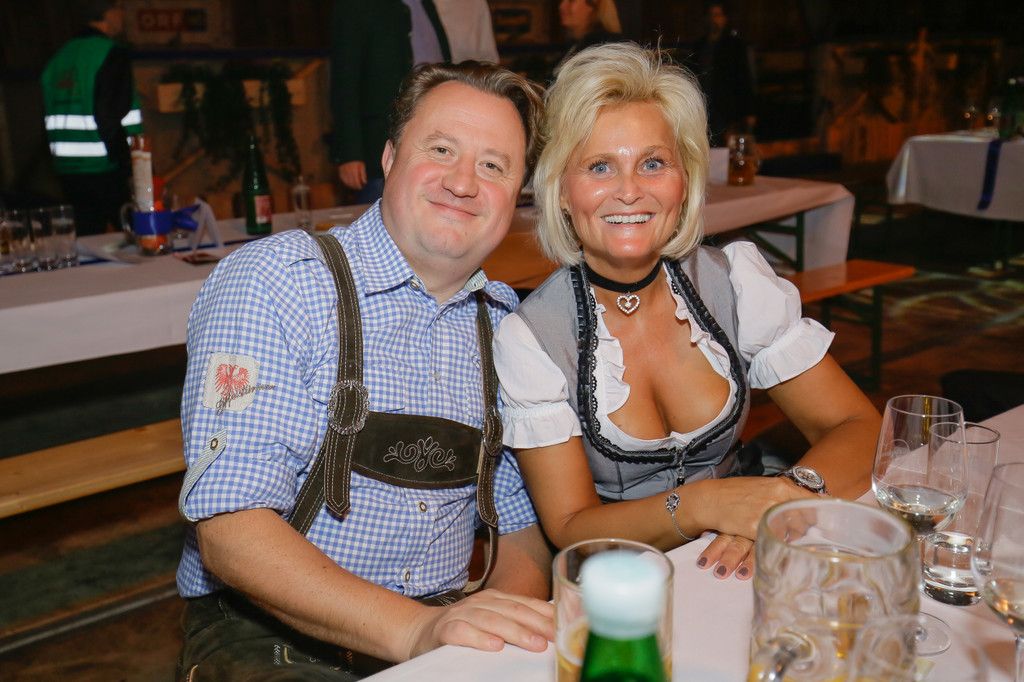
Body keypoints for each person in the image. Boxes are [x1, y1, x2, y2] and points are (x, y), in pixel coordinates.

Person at [176, 61, 551, 680]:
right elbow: (230, 529)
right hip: (270, 636)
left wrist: (495, 634)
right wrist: (414, 631)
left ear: (517, 196)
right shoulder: (279, 283)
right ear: (389, 157)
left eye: (494, 166)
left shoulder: (508, 326)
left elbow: (523, 526)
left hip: (442, 626)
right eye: (441, 150)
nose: (463, 182)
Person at [493, 43, 880, 581]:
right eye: (600, 166)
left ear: (685, 180)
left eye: (653, 163)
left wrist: (780, 503)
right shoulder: (532, 336)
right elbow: (571, 526)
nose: (630, 191)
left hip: (747, 559)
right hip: (626, 582)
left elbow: (859, 426)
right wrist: (706, 505)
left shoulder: (736, 281)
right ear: (560, 190)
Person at [330, 0, 451, 205]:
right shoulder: (355, 6)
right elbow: (344, 82)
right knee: (380, 214)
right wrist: (349, 153)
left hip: (435, 141)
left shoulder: (425, 4)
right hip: (381, 145)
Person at [40, 0, 142, 235]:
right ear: (108, 13)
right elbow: (110, 116)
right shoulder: (110, 53)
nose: (122, 15)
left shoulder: (58, 58)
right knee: (139, 238)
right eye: (119, 8)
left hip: (68, 172)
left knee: (86, 241)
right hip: (108, 168)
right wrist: (131, 167)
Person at [692, 1, 757, 145]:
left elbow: (744, 78)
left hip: (728, 112)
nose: (713, 20)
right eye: (711, 15)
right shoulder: (699, 47)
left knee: (729, 149)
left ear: (724, 19)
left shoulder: (735, 46)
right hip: (704, 110)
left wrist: (749, 112)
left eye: (717, 15)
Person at [558, 0, 623, 64]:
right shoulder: (572, 45)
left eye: (571, 1)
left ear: (595, 5)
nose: (562, 6)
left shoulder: (601, 50)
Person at [435, 0, 500, 64]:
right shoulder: (430, 6)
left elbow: (488, 56)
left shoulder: (477, 3)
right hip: (437, 67)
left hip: (470, 67)